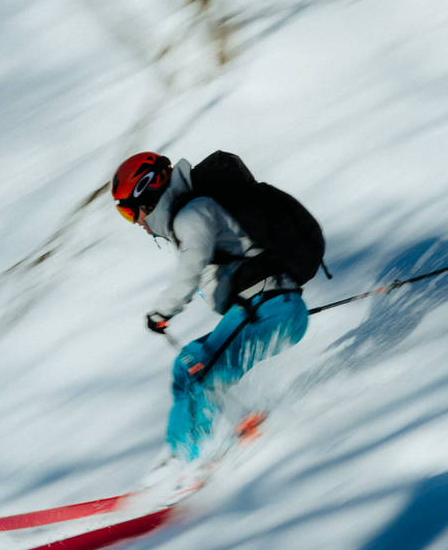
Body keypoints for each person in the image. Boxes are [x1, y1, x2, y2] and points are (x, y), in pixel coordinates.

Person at [111, 151, 311, 462]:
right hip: (262, 308)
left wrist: (163, 311)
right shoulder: (190, 214)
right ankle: (187, 452)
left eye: (127, 211)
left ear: (147, 195)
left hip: (269, 308)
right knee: (188, 365)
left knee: (201, 371)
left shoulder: (192, 213)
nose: (134, 222)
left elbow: (192, 265)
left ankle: (192, 458)